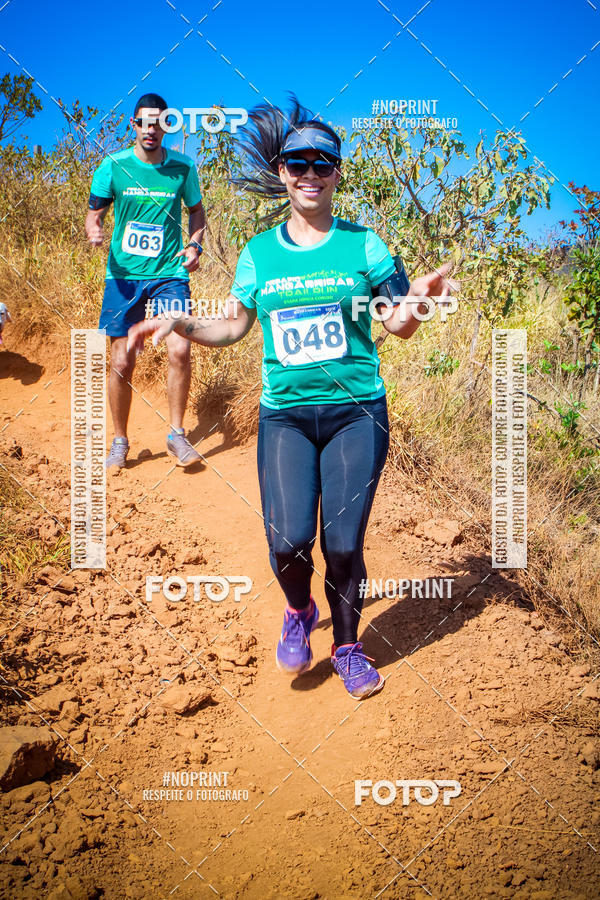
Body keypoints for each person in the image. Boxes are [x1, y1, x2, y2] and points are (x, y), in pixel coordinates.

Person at [127, 99, 455, 699]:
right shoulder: (260, 253)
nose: (310, 173)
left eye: (322, 163)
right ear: (281, 171)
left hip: (358, 413)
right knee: (287, 541)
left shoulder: (365, 246)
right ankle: (299, 608)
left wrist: (423, 299)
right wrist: (180, 323)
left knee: (343, 541)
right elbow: (231, 327)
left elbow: (396, 325)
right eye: (298, 162)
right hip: (285, 417)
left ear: (336, 171)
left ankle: (349, 647)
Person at [85, 92, 206, 469]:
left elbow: (197, 214)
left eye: (160, 123)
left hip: (169, 274)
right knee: (122, 362)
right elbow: (94, 213)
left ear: (166, 127)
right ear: (133, 125)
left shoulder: (183, 169)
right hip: (123, 278)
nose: (151, 130)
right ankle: (119, 441)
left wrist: (194, 246)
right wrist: (95, 231)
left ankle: (177, 434)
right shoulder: (112, 166)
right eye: (144, 122)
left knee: (180, 349)